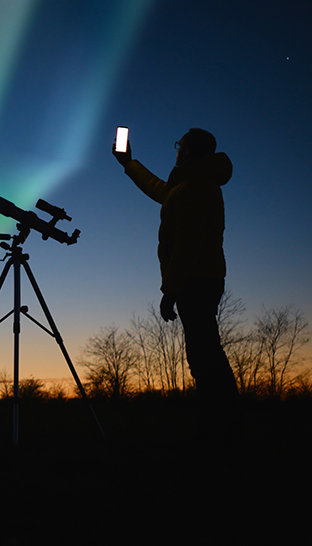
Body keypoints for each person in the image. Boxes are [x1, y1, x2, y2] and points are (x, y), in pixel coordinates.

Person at [112, 128, 240, 445]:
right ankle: (220, 427)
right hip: (199, 278)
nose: (176, 150)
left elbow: (186, 245)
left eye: (179, 145)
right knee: (205, 352)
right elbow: (160, 189)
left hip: (196, 280)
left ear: (188, 150)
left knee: (205, 355)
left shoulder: (196, 186)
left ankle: (220, 431)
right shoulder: (189, 184)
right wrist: (129, 163)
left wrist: (170, 291)